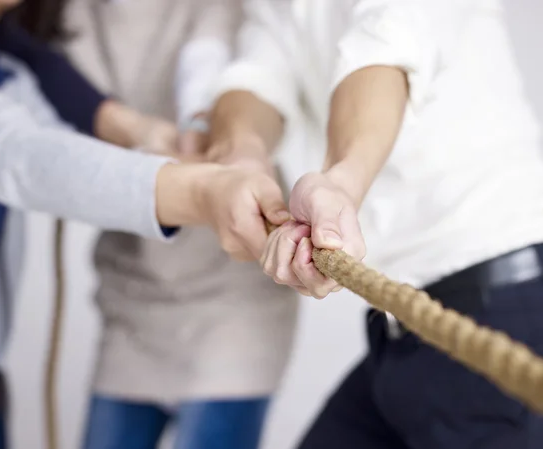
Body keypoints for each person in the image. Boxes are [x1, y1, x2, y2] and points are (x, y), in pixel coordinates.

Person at [0, 0, 290, 447]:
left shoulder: (10, 67)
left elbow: (60, 144)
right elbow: (17, 156)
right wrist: (199, 192)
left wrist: (166, 142)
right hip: (125, 306)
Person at [208, 0, 543, 447]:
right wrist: (243, 158)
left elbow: (387, 42)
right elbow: (255, 76)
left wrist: (340, 184)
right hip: (401, 328)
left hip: (502, 307)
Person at [49, 1, 297, 448]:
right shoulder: (61, 17)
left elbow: (206, 62)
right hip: (131, 294)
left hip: (230, 300)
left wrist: (195, 126)